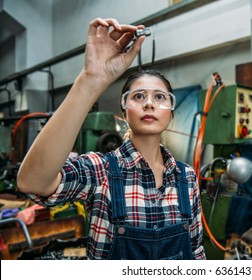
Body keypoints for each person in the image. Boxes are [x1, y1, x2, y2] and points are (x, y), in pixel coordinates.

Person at [17, 18, 206, 260]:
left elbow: (196, 250)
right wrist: (90, 79)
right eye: (138, 96)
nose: (149, 103)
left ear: (171, 111)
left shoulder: (187, 176)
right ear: (124, 110)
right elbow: (32, 182)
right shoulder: (101, 170)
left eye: (160, 97)